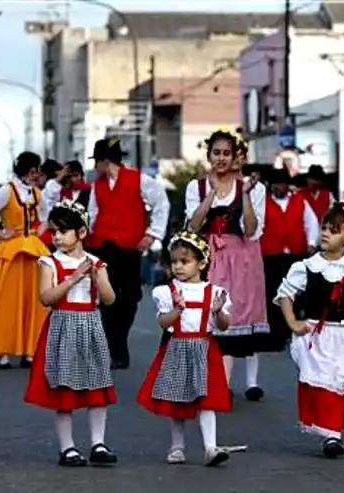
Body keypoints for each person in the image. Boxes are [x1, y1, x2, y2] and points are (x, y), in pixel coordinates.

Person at [275, 202, 344, 459]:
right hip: (317, 334)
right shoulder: (307, 266)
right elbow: (286, 294)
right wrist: (292, 322)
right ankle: (328, 431)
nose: (325, 233)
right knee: (319, 382)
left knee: (340, 382)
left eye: (334, 230)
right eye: (324, 228)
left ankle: (334, 434)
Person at [24, 200, 118, 467]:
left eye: (63, 231)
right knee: (64, 387)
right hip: (63, 325)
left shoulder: (97, 262)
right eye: (54, 231)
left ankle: (98, 443)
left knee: (96, 384)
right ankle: (68, 447)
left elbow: (109, 299)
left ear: (81, 233)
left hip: (90, 324)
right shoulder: (49, 262)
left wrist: (98, 277)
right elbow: (46, 297)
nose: (56, 237)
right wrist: (74, 278)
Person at [137, 230, 233, 466]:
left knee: (207, 400)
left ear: (201, 263)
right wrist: (177, 310)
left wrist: (218, 311)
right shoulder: (167, 292)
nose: (178, 267)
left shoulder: (214, 293)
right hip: (178, 347)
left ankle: (211, 446)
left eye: (185, 261)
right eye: (175, 262)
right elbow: (163, 322)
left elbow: (224, 326)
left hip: (204, 349)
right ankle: (177, 446)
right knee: (177, 399)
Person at [185, 128, 268, 401]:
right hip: (208, 257)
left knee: (232, 321)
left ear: (234, 157)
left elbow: (252, 230)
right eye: (216, 153)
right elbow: (194, 226)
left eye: (226, 153)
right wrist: (210, 194)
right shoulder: (196, 187)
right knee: (204, 318)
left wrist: (244, 195)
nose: (221, 158)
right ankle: (210, 382)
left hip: (240, 258)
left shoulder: (253, 189)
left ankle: (223, 385)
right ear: (209, 155)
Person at [86, 137, 170, 370]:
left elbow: (161, 204)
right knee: (107, 297)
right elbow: (93, 214)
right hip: (102, 246)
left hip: (129, 247)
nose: (95, 167)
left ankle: (118, 340)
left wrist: (152, 234)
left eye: (97, 162)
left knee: (131, 297)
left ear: (105, 161)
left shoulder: (140, 180)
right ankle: (117, 350)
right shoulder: (98, 186)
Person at [0, 151, 50, 369]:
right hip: (13, 251)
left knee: (32, 301)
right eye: (34, 169)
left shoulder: (37, 193)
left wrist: (39, 231)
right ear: (28, 169)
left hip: (32, 250)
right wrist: (1, 234)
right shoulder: (7, 191)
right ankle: (4, 352)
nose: (36, 173)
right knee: (9, 301)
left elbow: (47, 216)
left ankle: (29, 350)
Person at [259, 167, 319, 352]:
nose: (279, 187)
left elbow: (312, 222)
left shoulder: (299, 201)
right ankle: (275, 334)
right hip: (272, 255)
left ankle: (290, 331)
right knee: (273, 296)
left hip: (294, 254)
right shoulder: (263, 203)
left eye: (282, 183)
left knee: (295, 296)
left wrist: (310, 242)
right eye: (276, 184)